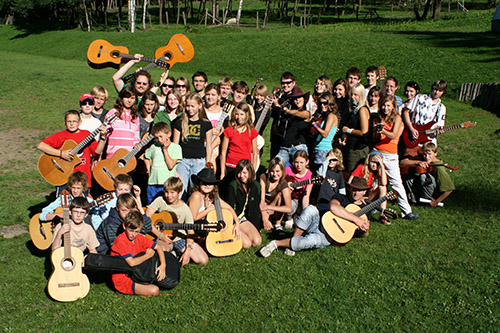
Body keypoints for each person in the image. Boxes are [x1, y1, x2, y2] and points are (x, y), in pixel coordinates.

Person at [259, 177, 370, 257]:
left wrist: (364, 230)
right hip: (319, 222)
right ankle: (293, 242)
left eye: (359, 190)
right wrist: (355, 219)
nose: (356, 193)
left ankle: (275, 243)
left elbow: (362, 234)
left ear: (365, 191)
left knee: (307, 242)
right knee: (310, 209)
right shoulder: (341, 197)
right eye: (354, 189)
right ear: (350, 188)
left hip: (327, 236)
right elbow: (333, 207)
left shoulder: (365, 210)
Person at [146, 177, 208, 266]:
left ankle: (177, 254)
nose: (169, 196)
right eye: (166, 192)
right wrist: (160, 235)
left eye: (172, 192)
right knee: (160, 249)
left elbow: (191, 231)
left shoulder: (185, 209)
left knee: (203, 260)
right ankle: (172, 254)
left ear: (179, 192)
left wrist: (187, 251)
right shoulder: (160, 200)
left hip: (179, 238)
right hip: (163, 237)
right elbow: (146, 218)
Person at [374, 95, 418, 220]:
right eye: (383, 105)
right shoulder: (379, 117)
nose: (385, 108)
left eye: (388, 105)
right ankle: (374, 208)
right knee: (376, 183)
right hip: (377, 151)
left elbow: (393, 135)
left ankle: (407, 211)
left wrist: (382, 130)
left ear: (393, 106)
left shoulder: (397, 118)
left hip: (390, 155)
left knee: (396, 183)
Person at [37, 110, 104, 189]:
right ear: (64, 122)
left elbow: (97, 151)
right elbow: (41, 145)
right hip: (64, 178)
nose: (71, 124)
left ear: (80, 122)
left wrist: (103, 138)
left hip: (83, 180)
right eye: (69, 121)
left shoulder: (86, 134)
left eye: (74, 121)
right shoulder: (61, 136)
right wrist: (61, 153)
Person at [110, 210, 167, 296]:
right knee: (155, 290)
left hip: (136, 274)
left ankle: (144, 285)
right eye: (130, 230)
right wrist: (148, 255)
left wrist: (163, 265)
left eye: (136, 231)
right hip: (123, 280)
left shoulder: (139, 238)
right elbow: (131, 262)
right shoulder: (120, 241)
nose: (133, 234)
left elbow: (158, 247)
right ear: (124, 226)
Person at [172, 93, 213, 198]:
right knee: (181, 190)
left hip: (199, 161)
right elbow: (175, 145)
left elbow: (208, 146)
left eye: (192, 106)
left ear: (199, 105)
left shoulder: (206, 124)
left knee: (196, 191)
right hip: (182, 161)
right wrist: (174, 164)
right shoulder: (179, 123)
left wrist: (208, 163)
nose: (189, 109)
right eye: (187, 106)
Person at [188, 167, 241, 246]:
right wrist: (208, 210)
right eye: (204, 183)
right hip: (192, 226)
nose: (207, 185)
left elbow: (229, 208)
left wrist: (237, 224)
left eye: (210, 183)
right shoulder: (196, 196)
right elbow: (192, 218)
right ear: (199, 183)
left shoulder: (212, 196)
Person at [400, 142, 455, 207]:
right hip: (426, 187)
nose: (427, 157)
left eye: (429, 154)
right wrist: (418, 162)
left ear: (435, 153)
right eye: (425, 154)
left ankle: (428, 200)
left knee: (424, 177)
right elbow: (403, 161)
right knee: (407, 177)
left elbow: (449, 189)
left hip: (435, 193)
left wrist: (436, 201)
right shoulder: (423, 158)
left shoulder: (438, 167)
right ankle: (414, 200)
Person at [224, 160, 262, 248]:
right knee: (247, 244)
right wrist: (234, 224)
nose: (241, 176)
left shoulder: (256, 186)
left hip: (244, 218)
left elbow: (255, 208)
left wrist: (256, 227)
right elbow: (229, 208)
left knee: (257, 241)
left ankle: (244, 232)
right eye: (239, 173)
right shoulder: (233, 186)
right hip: (234, 219)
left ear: (250, 172)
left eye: (244, 173)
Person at [402, 80, 447, 151]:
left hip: (429, 141)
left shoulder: (441, 108)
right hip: (413, 135)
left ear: (443, 92)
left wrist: (439, 130)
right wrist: (411, 128)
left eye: (440, 90)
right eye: (435, 89)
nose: (436, 92)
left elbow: (439, 125)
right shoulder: (419, 98)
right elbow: (406, 112)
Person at [144, 122, 182, 204]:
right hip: (153, 183)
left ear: (169, 134)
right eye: (157, 137)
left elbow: (171, 165)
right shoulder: (154, 147)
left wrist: (165, 150)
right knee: (151, 205)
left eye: (161, 136)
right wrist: (148, 170)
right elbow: (146, 157)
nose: (159, 140)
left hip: (166, 185)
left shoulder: (176, 148)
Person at [100, 86, 141, 159]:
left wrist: (137, 146)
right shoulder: (113, 113)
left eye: (132, 98)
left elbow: (136, 139)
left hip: (127, 158)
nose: (129, 101)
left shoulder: (135, 117)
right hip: (112, 156)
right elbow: (104, 135)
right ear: (121, 98)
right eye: (127, 97)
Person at [274, 87, 311, 166]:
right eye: (295, 98)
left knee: (300, 169)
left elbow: (299, 113)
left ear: (304, 99)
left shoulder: (306, 113)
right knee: (274, 167)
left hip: (298, 147)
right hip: (285, 147)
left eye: (299, 98)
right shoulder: (288, 114)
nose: (297, 100)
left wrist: (287, 111)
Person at [220, 102, 259, 177]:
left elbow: (254, 153)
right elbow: (223, 153)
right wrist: (222, 172)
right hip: (230, 165)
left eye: (242, 114)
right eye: (237, 114)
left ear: (246, 115)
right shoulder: (229, 130)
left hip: (245, 167)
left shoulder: (252, 132)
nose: (239, 117)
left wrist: (253, 171)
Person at [348, 152, 389, 224]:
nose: (374, 165)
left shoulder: (377, 171)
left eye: (377, 163)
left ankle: (383, 215)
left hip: (368, 196)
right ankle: (372, 208)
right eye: (373, 162)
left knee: (382, 187)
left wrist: (382, 166)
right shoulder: (361, 167)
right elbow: (349, 183)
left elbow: (384, 183)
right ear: (368, 161)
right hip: (357, 194)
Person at [341, 83, 370, 174]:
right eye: (351, 94)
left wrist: (348, 130)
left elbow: (364, 132)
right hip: (350, 146)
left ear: (361, 95)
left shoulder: (362, 110)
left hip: (358, 149)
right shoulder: (352, 109)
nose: (353, 97)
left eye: (356, 95)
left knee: (353, 175)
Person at [259, 158, 292, 232]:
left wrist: (270, 207)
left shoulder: (283, 183)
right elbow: (262, 200)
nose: (274, 174)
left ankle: (278, 224)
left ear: (282, 171)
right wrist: (265, 219)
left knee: (280, 195)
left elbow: (288, 208)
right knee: (262, 201)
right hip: (262, 207)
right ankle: (264, 221)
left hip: (273, 208)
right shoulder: (264, 177)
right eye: (272, 171)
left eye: (277, 171)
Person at [310, 92, 339, 174]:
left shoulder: (331, 116)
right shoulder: (323, 115)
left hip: (324, 149)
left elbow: (325, 134)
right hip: (317, 148)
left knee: (320, 175)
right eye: (320, 103)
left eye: (325, 103)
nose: (322, 105)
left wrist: (315, 126)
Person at [285, 150, 313, 225]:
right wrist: (286, 185)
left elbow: (306, 196)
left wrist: (305, 212)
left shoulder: (309, 175)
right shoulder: (288, 170)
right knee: (292, 205)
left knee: (303, 212)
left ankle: (297, 215)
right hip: (290, 198)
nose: (298, 165)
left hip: (301, 199)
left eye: (301, 163)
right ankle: (289, 218)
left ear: (307, 162)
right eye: (296, 162)